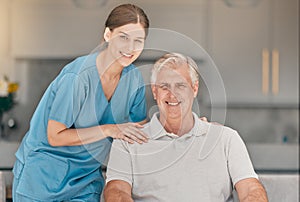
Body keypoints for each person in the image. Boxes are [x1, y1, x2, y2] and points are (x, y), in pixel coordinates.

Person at [12, 4, 151, 201]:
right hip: (43, 177)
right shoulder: (78, 76)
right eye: (123, 37)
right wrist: (109, 129)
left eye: (138, 41)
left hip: (86, 181)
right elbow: (55, 136)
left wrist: (188, 128)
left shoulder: (133, 79)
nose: (131, 48)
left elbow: (138, 131)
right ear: (107, 34)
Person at [104, 53, 268, 202]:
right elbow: (116, 191)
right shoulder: (127, 141)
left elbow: (251, 189)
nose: (172, 94)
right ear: (155, 91)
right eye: (164, 87)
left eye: (181, 85)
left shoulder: (226, 139)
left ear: (194, 89)